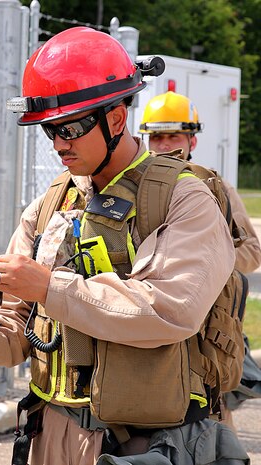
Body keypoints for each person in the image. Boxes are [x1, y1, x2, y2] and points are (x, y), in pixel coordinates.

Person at [0, 27, 249, 465]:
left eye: (71, 127)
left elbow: (170, 309)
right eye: (49, 130)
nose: (58, 143)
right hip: (49, 433)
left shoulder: (183, 197)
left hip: (141, 444)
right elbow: (20, 331)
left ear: (116, 118)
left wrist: (49, 287)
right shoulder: (51, 202)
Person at [139, 90, 261, 430]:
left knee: (212, 424)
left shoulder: (213, 186)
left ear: (191, 139)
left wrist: (201, 262)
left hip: (205, 330)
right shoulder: (130, 187)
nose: (164, 144)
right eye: (156, 137)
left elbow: (251, 252)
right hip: (147, 323)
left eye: (173, 135)